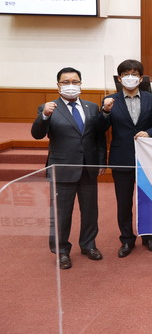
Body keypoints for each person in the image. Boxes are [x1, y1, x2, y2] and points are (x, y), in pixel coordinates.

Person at [31, 67, 107, 269]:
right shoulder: (48, 107)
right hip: (62, 169)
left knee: (90, 211)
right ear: (58, 85)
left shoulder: (92, 107)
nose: (71, 85)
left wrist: (101, 161)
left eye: (75, 82)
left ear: (81, 84)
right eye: (66, 82)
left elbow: (98, 137)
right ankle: (62, 251)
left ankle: (88, 245)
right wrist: (44, 116)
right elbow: (37, 134)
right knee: (62, 214)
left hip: (88, 167)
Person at [100, 59, 152, 258]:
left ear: (141, 78)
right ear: (119, 78)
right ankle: (127, 239)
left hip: (147, 159)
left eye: (134, 74)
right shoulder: (110, 101)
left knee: (148, 200)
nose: (130, 77)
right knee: (124, 202)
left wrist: (150, 132)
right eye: (126, 74)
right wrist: (105, 112)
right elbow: (100, 128)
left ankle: (149, 237)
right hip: (121, 157)